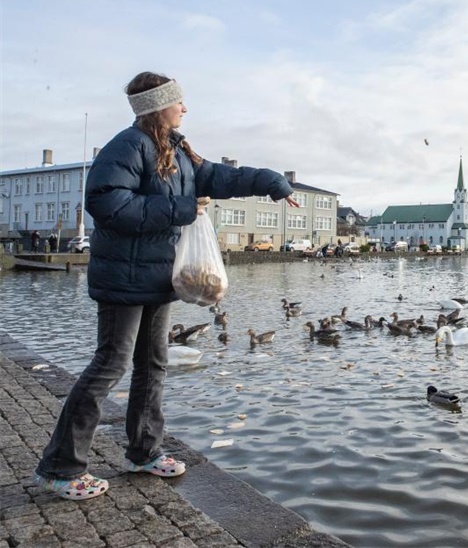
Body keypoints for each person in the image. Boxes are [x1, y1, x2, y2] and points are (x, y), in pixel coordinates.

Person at [33, 71, 300, 500]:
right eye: (179, 102)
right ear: (158, 107)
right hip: (123, 278)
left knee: (154, 363)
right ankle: (59, 467)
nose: (185, 108)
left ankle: (143, 451)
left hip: (160, 277)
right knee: (110, 365)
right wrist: (181, 208)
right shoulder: (128, 146)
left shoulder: (176, 151)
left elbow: (222, 177)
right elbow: (107, 203)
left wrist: (274, 182)